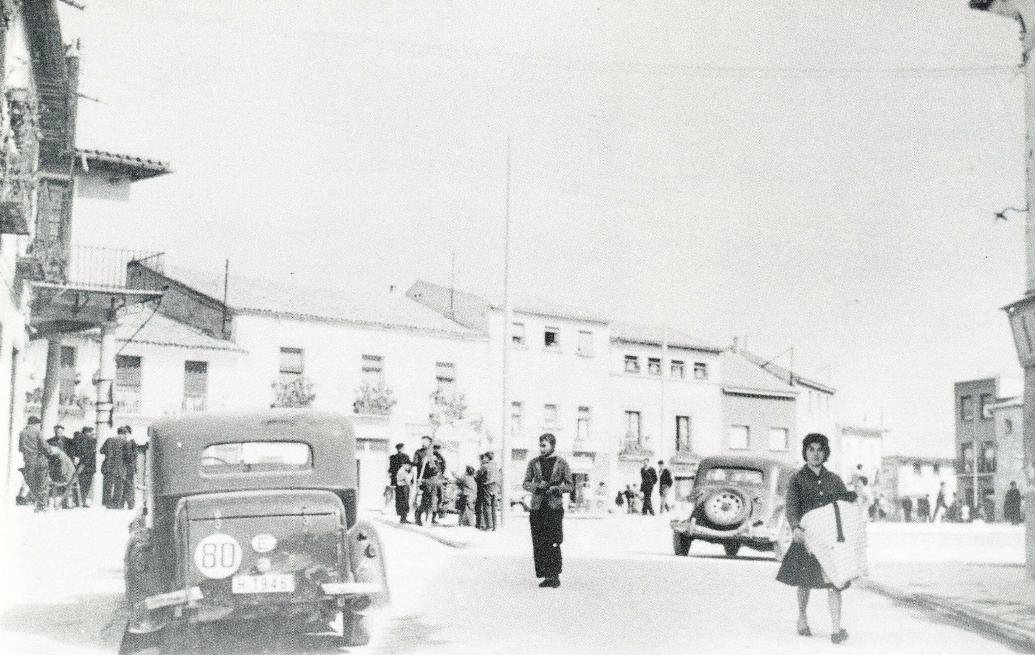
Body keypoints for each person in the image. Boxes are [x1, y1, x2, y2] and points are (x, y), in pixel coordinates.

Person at [776, 433, 857, 645]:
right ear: (805, 452)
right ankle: (802, 618)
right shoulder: (797, 479)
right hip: (806, 536)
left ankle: (836, 628)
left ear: (825, 452)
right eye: (811, 449)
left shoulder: (834, 480)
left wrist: (853, 497)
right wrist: (795, 528)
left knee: (835, 582)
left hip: (830, 540)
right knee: (805, 582)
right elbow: (791, 506)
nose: (815, 454)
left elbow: (844, 505)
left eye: (820, 449)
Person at [522, 433, 573, 588]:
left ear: (552, 445)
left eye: (544, 445)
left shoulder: (562, 463)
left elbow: (570, 486)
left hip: (554, 507)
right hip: (537, 507)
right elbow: (525, 483)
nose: (541, 448)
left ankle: (555, 575)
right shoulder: (533, 462)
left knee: (554, 540)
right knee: (539, 542)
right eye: (540, 445)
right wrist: (538, 486)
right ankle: (546, 575)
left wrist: (557, 488)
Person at [18, 417, 50, 512]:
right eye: (38, 425)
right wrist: (49, 451)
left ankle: (38, 504)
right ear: (35, 424)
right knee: (42, 483)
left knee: (33, 483)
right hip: (39, 460)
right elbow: (44, 446)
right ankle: (42, 505)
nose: (38, 426)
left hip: (28, 461)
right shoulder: (37, 432)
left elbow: (20, 448)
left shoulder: (22, 432)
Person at [412, 436, 441, 526]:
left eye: (425, 441)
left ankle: (429, 518)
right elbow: (414, 465)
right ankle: (418, 518)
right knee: (422, 499)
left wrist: (433, 461)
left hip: (432, 479)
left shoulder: (434, 453)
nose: (423, 443)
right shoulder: (419, 452)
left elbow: (439, 468)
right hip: (422, 479)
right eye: (422, 441)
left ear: (429, 442)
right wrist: (415, 479)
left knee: (432, 499)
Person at [100, 427, 128, 509]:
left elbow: (101, 450)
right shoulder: (125, 442)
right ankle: (115, 504)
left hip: (108, 466)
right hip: (120, 467)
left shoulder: (109, 439)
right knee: (118, 486)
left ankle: (107, 503)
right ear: (125, 433)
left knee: (108, 485)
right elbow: (127, 456)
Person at [69, 426, 97, 507]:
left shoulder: (78, 440)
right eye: (91, 432)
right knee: (86, 485)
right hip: (88, 466)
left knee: (78, 483)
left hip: (80, 466)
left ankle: (78, 501)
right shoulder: (90, 440)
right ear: (87, 432)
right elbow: (88, 454)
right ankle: (82, 501)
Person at [477, 451, 501, 531]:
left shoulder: (484, 466)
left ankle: (488, 526)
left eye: (484, 457)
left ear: (487, 457)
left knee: (487, 506)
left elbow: (478, 476)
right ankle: (494, 526)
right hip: (495, 488)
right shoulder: (496, 466)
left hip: (487, 487)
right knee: (494, 508)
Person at [388, 443, 411, 521]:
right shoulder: (405, 457)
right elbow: (409, 468)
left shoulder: (393, 457)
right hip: (404, 481)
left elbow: (390, 470)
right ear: (402, 448)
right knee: (405, 498)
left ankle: (402, 516)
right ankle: (403, 517)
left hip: (397, 482)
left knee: (399, 498)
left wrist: (392, 482)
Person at [121, 426, 139, 510]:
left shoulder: (130, 442)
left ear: (127, 433)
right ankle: (128, 503)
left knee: (128, 485)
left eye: (125, 433)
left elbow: (130, 456)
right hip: (130, 466)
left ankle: (130, 504)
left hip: (128, 467)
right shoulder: (131, 442)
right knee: (127, 484)